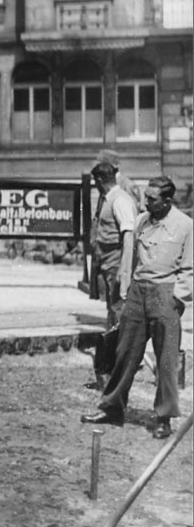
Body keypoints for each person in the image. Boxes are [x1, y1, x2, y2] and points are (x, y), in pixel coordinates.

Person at [81, 176, 192, 440]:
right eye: (145, 197)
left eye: (152, 199)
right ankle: (112, 408)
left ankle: (163, 417)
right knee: (125, 353)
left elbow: (190, 269)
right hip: (138, 293)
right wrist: (128, 288)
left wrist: (176, 299)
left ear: (166, 201)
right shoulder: (142, 220)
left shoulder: (186, 225)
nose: (145, 202)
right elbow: (131, 258)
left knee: (165, 361)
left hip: (164, 294)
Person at [88, 161, 138, 389]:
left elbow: (129, 236)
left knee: (119, 313)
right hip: (108, 264)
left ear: (99, 180)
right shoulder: (110, 199)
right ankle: (112, 365)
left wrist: (124, 271)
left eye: (95, 182)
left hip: (117, 265)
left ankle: (121, 366)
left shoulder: (119, 200)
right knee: (112, 310)